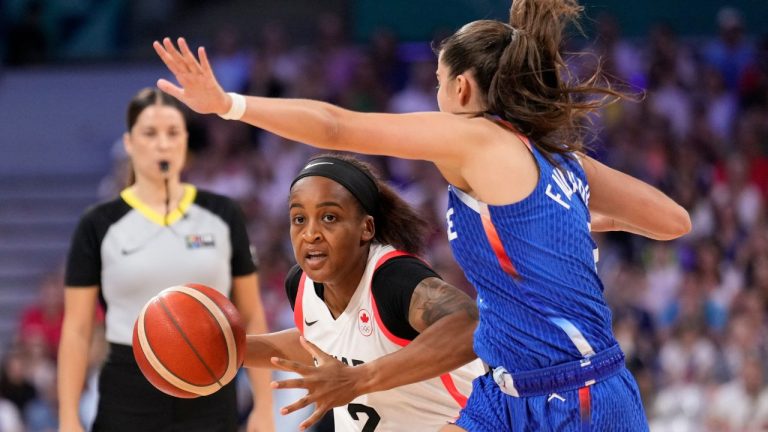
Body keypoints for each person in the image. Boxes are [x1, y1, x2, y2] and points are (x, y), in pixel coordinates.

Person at [153, 0, 692, 429]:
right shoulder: (560, 160)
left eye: (438, 82)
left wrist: (229, 104)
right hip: (503, 394)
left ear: (461, 87)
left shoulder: (473, 135)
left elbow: (338, 129)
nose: (436, 95)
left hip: (581, 397)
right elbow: (672, 221)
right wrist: (554, 227)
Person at [58, 88, 274, 432]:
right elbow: (78, 328)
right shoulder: (98, 223)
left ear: (186, 142)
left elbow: (251, 314)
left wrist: (264, 406)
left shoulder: (222, 213)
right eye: (150, 133)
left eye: (173, 133)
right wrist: (68, 416)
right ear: (129, 143)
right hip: (128, 385)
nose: (162, 143)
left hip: (211, 379)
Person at [243, 153, 483, 431]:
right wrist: (232, 351)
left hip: (465, 421)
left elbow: (468, 325)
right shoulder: (301, 285)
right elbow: (322, 344)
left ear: (366, 228)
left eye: (329, 217)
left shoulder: (392, 278)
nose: (310, 234)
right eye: (299, 219)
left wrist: (358, 379)